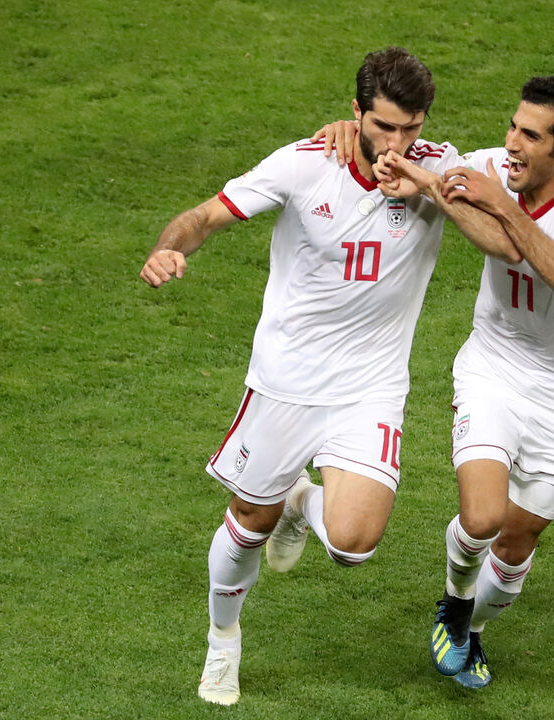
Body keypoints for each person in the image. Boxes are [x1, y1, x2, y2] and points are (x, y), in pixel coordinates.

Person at [139, 47, 461, 705]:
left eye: (413, 128)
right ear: (355, 113)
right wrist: (169, 248)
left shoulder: (440, 171)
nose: (399, 143)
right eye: (384, 127)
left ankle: (300, 502)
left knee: (353, 544)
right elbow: (204, 216)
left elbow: (506, 200)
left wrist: (428, 183)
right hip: (286, 380)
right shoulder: (304, 165)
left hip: (370, 386)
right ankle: (222, 640)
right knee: (246, 521)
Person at [372, 76, 554, 688]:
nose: (510, 143)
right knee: (482, 517)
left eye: (530, 135)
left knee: (517, 543)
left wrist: (496, 205)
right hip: (495, 366)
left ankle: (472, 629)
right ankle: (455, 604)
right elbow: (395, 144)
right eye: (512, 126)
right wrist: (346, 134)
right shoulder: (489, 167)